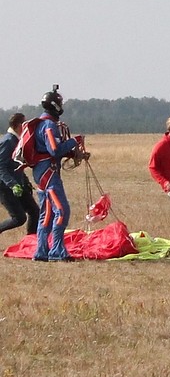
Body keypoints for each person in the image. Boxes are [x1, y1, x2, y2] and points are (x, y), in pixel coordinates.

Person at [22, 87, 88, 262]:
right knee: (62, 211)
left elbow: (49, 150)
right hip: (49, 175)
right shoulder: (49, 125)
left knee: (47, 214)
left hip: (41, 174)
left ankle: (41, 251)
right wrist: (75, 141)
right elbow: (54, 149)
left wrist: (73, 154)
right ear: (55, 106)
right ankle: (57, 251)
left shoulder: (41, 123)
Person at [0, 114, 38, 238]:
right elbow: (1, 167)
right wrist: (13, 184)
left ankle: (30, 242)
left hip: (19, 185)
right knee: (19, 218)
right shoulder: (8, 141)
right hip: (5, 188)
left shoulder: (17, 140)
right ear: (17, 126)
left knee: (35, 211)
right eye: (24, 124)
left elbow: (17, 165)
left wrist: (25, 182)